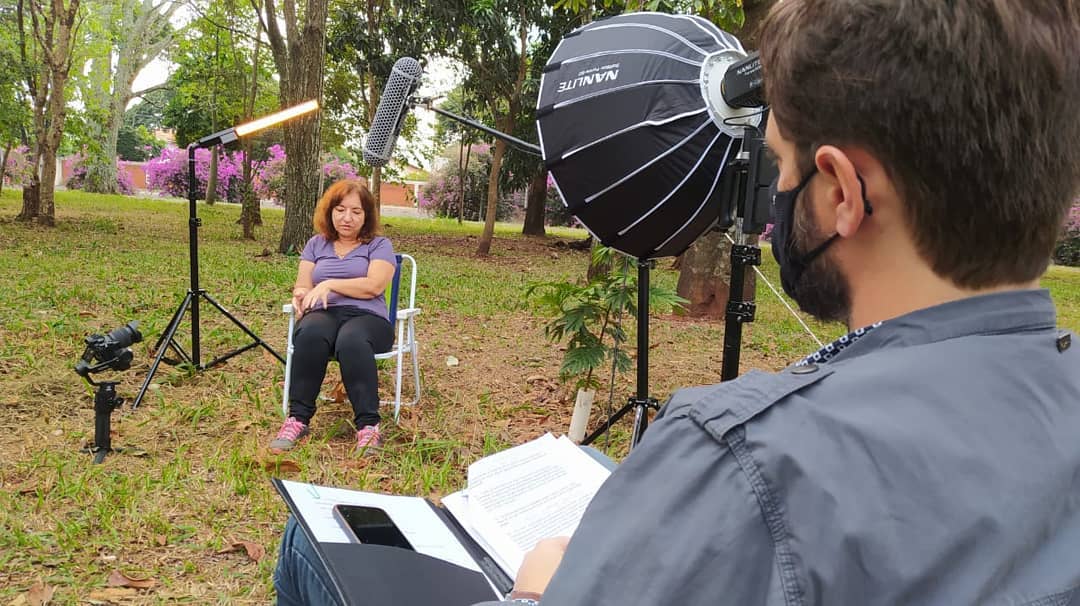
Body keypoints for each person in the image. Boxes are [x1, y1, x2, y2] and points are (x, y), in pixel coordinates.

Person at [274, 0, 1080, 603]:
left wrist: (538, 586)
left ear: (839, 191)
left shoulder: (740, 458)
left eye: (777, 167)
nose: (772, 201)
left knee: (306, 547)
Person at [269, 179, 396, 455]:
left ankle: (368, 427)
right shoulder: (316, 244)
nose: (347, 218)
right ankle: (297, 419)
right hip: (325, 314)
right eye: (340, 209)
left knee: (351, 340)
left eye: (356, 211)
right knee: (310, 334)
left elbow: (374, 286)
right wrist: (301, 295)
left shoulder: (379, 245)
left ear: (367, 216)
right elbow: (303, 284)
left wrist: (329, 285)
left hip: (368, 317)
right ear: (330, 211)